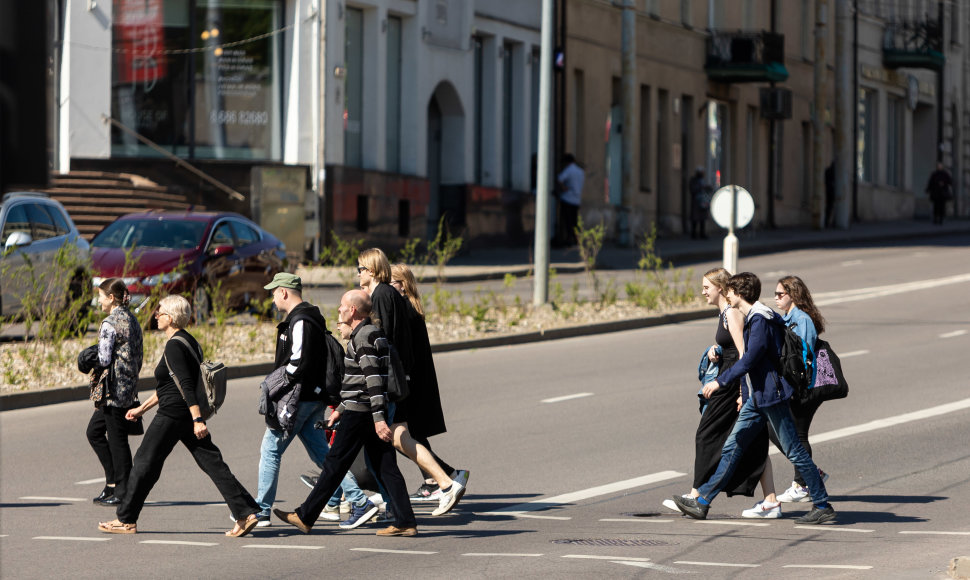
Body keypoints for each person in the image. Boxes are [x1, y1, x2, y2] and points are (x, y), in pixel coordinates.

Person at [672, 273, 836, 525]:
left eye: (729, 292)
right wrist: (745, 394)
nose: (726, 295)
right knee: (733, 445)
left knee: (793, 451)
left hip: (772, 395)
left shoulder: (760, 319)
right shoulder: (757, 316)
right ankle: (702, 502)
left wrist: (720, 381)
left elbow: (750, 358)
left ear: (738, 294)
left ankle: (822, 504)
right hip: (759, 397)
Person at [97, 295, 261, 536]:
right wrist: (143, 409)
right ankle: (245, 512)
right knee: (212, 463)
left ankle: (125, 519)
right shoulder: (188, 341)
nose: (156, 316)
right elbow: (170, 385)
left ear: (170, 318)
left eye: (160, 312)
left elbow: (185, 384)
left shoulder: (174, 345)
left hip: (175, 414)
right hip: (181, 412)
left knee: (144, 463)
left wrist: (197, 420)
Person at [273, 290, 418, 536]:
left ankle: (306, 516)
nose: (338, 310)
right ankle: (405, 521)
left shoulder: (362, 339)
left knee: (334, 465)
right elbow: (361, 382)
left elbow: (374, 381)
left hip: (361, 414)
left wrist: (379, 418)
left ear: (352, 311)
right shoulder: (373, 334)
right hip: (360, 411)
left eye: (342, 306)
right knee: (386, 467)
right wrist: (341, 408)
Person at [255, 272, 374, 529]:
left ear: (284, 292)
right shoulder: (310, 317)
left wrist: (274, 386)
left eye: (274, 293)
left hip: (299, 399)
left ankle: (261, 511)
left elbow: (298, 363)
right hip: (313, 397)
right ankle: (359, 501)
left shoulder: (300, 320)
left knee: (270, 450)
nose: (273, 298)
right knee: (324, 455)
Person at [662, 268, 777, 519]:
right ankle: (771, 500)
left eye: (706, 287)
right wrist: (717, 349)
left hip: (730, 385)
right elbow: (732, 349)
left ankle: (695, 495)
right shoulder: (725, 313)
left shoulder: (732, 314)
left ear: (721, 289)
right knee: (755, 443)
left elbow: (745, 354)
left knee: (707, 435)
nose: (703, 292)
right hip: (729, 381)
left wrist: (740, 392)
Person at [356, 249, 463, 516]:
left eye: (359, 268)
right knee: (396, 436)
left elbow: (382, 340)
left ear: (370, 270)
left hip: (391, 379)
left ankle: (444, 481)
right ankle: (404, 497)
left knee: (394, 436)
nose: (357, 273)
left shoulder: (382, 296)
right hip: (398, 377)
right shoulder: (391, 296)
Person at [390, 263, 470, 503]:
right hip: (415, 379)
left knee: (401, 436)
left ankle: (445, 475)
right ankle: (438, 478)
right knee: (410, 434)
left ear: (401, 285)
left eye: (389, 282)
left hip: (408, 381)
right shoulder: (411, 306)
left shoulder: (404, 308)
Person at [86, 278, 143, 506]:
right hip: (129, 386)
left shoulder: (110, 323)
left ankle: (123, 491)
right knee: (95, 432)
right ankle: (113, 484)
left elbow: (103, 358)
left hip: (113, 390)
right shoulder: (132, 319)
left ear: (111, 298)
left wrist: (86, 357)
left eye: (100, 296)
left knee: (118, 441)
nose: (97, 300)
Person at [773, 275, 830, 504]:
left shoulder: (801, 320)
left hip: (804, 386)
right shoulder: (787, 319)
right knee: (782, 431)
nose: (776, 298)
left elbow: (802, 357)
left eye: (780, 294)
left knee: (797, 433)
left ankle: (803, 484)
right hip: (794, 386)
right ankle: (811, 473)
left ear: (793, 295)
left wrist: (795, 387)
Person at [555, 153, 584, 247]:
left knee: (567, 221)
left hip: (567, 198)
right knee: (574, 221)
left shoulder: (569, 170)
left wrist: (563, 188)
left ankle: (568, 239)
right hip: (576, 199)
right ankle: (576, 240)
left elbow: (559, 179)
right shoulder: (580, 171)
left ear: (566, 162)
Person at [689, 167, 712, 239]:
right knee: (695, 219)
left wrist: (708, 188)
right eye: (700, 172)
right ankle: (693, 234)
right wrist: (701, 187)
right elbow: (692, 189)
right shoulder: (694, 180)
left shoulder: (702, 180)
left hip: (703, 201)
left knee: (703, 218)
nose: (702, 174)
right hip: (696, 201)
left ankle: (702, 233)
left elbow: (707, 189)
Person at [824, 160, 836, 228]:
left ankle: (826, 221)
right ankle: (832, 222)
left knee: (829, 207)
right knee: (831, 207)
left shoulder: (827, 171)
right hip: (832, 191)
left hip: (828, 191)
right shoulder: (834, 172)